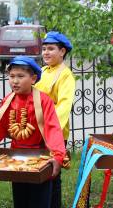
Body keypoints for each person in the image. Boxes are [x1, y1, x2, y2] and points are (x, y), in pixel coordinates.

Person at [0, 56, 66, 208]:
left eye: (20, 76)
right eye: (11, 76)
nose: (14, 81)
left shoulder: (43, 101)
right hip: (16, 160)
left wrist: (57, 155)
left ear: (33, 78)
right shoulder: (7, 101)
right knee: (20, 199)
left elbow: (53, 128)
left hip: (41, 160)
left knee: (40, 200)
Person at [35, 31, 75, 208]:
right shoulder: (42, 71)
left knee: (53, 174)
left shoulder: (65, 74)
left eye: (51, 49)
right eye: (44, 49)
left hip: (54, 133)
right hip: (37, 130)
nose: (46, 53)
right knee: (40, 172)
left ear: (62, 51)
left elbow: (64, 105)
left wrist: (50, 129)